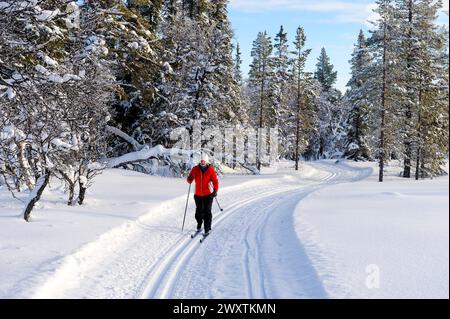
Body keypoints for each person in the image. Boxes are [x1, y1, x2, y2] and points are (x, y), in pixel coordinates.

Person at [187, 153, 219, 235]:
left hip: (208, 194)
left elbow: (215, 181)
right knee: (198, 211)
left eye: (204, 161)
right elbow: (190, 178)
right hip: (198, 194)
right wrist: (189, 179)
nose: (202, 162)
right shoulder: (195, 169)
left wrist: (215, 190)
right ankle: (199, 224)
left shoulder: (210, 170)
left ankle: (207, 228)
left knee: (207, 211)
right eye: (201, 160)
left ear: (207, 162)